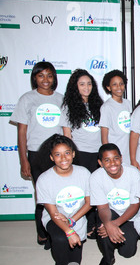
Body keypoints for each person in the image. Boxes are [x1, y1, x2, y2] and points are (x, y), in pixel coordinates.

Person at [9, 61, 63, 247]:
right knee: (42, 196)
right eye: (41, 75)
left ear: (54, 78)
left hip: (59, 156)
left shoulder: (60, 99)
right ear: (34, 77)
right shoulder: (27, 99)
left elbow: (66, 129)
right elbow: (22, 132)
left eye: (49, 75)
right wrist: (24, 160)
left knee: (59, 195)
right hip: (36, 154)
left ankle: (57, 231)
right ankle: (42, 233)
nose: (45, 79)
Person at [35, 134, 91, 265]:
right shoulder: (44, 179)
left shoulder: (83, 173)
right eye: (57, 154)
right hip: (56, 218)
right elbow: (53, 212)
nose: (63, 158)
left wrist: (72, 220)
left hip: (77, 217)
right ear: (52, 157)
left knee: (75, 262)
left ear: (73, 154)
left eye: (67, 153)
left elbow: (89, 203)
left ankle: (68, 263)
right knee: (61, 239)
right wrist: (69, 231)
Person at [60, 69, 103, 238]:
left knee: (97, 191)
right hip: (80, 154)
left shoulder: (99, 105)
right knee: (84, 192)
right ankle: (86, 225)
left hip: (98, 154)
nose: (86, 87)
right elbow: (67, 135)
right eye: (82, 84)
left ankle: (97, 224)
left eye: (89, 84)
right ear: (75, 86)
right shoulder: (67, 107)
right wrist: (71, 157)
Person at [89, 143, 140, 265]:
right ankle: (107, 258)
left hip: (131, 215)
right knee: (102, 224)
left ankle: (114, 235)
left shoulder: (133, 173)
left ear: (121, 158)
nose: (112, 163)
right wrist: (108, 224)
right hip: (110, 212)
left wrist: (115, 224)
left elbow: (135, 205)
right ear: (100, 163)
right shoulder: (95, 177)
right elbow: (103, 207)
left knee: (128, 253)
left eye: (116, 158)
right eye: (107, 160)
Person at [99, 69, 132, 165]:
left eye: (121, 84)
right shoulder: (107, 107)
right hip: (115, 152)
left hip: (128, 151)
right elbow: (104, 135)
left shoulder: (128, 103)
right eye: (114, 84)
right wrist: (107, 156)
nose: (119, 87)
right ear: (108, 88)